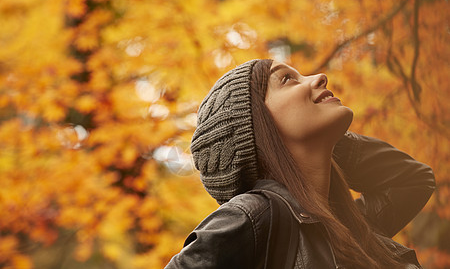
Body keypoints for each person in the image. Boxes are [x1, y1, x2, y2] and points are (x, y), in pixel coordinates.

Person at [165, 59, 435, 268]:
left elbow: (412, 179)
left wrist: (327, 144)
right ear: (258, 125)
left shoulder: (347, 228)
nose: (319, 77)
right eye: (286, 79)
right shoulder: (256, 216)